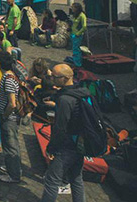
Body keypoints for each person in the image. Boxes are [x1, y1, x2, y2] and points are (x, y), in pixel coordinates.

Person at [40, 64, 89, 202]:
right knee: (76, 178)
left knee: (52, 180)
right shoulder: (82, 91)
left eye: (55, 77)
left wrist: (51, 148)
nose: (52, 79)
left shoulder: (65, 99)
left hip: (66, 145)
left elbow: (60, 127)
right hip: (80, 141)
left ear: (66, 78)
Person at [0, 50, 22, 183]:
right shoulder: (11, 75)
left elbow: (12, 103)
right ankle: (12, 167)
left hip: (9, 118)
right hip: (10, 117)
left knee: (11, 146)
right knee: (10, 145)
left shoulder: (8, 79)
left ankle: (14, 174)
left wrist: (4, 115)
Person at [69, 3, 87, 67]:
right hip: (73, 33)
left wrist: (78, 33)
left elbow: (84, 26)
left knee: (76, 49)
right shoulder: (75, 15)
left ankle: (78, 64)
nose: (72, 9)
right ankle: (75, 61)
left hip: (77, 35)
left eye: (73, 7)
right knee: (74, 48)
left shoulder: (82, 16)